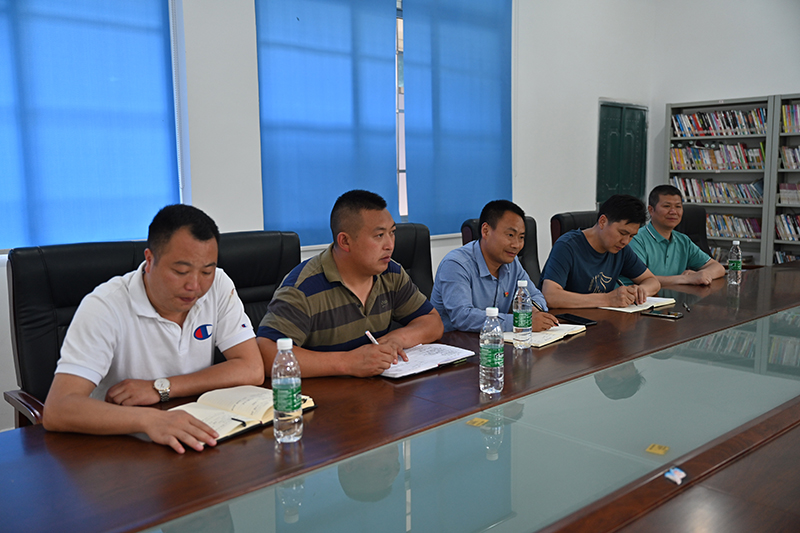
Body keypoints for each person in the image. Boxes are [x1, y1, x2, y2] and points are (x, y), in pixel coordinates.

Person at [43, 205, 265, 454]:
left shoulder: (218, 285)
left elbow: (252, 368)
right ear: (149, 260)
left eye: (206, 271)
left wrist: (161, 388)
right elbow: (58, 408)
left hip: (193, 433)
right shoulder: (105, 306)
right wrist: (150, 420)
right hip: (118, 446)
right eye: (181, 271)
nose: (195, 285)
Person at [257, 190, 443, 378]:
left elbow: (432, 322)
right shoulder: (303, 288)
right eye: (379, 235)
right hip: (323, 393)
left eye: (392, 233)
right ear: (345, 241)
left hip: (379, 389)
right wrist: (347, 362)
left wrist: (397, 339)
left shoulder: (390, 273)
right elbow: (267, 353)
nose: (390, 245)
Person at [431, 199, 557, 332]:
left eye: (521, 237)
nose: (516, 245)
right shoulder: (456, 264)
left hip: (495, 340)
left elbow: (536, 297)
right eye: (510, 235)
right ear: (485, 231)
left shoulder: (512, 263)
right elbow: (463, 317)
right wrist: (521, 321)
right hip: (454, 341)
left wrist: (532, 310)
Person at [540, 194, 661, 308]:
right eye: (622, 233)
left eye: (631, 236)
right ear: (602, 221)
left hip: (603, 318)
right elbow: (550, 296)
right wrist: (607, 299)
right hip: (567, 320)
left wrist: (639, 291)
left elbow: (653, 281)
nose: (625, 241)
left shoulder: (621, 250)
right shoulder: (567, 246)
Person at [626, 185, 725, 286]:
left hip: (678, 294)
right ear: (651, 210)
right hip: (648, 295)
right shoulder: (636, 239)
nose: (673, 212)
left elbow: (718, 268)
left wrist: (704, 274)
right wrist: (685, 279)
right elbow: (639, 278)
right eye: (667, 206)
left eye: (678, 207)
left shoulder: (683, 240)